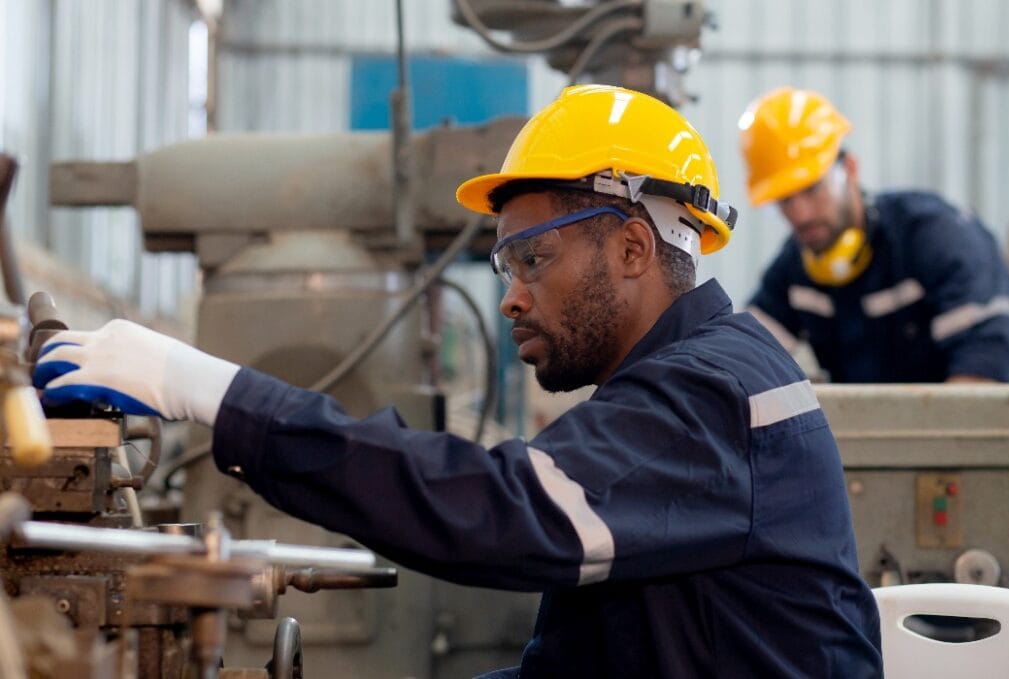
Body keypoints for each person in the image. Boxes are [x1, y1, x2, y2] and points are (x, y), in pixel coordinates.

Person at [33, 85, 882, 678]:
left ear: (631, 247)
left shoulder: (710, 395)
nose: (511, 296)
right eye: (503, 263)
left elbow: (502, 512)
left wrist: (209, 388)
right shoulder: (684, 384)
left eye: (532, 258)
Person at [738, 86, 1009, 383]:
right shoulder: (796, 266)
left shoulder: (936, 237)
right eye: (784, 201)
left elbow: (983, 376)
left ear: (849, 169)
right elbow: (744, 358)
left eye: (812, 189)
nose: (801, 215)